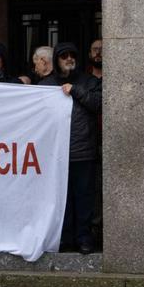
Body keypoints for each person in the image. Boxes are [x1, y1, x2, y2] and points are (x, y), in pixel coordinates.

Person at [39, 42, 102, 254]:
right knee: (60, 199)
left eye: (72, 55)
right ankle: (65, 238)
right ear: (56, 60)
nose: (68, 59)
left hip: (83, 151)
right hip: (55, 153)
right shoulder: (45, 85)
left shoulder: (90, 82)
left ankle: (84, 238)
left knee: (84, 198)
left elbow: (98, 103)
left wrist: (76, 91)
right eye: (63, 56)